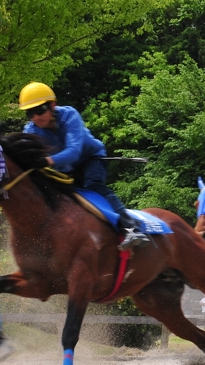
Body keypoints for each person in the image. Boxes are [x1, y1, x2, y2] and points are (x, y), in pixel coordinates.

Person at [20, 82, 149, 250]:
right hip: (64, 169)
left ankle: (132, 227)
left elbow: (73, 152)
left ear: (52, 106)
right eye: (30, 113)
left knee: (93, 187)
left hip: (90, 159)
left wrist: (47, 161)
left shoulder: (69, 115)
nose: (36, 117)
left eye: (39, 110)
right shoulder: (30, 131)